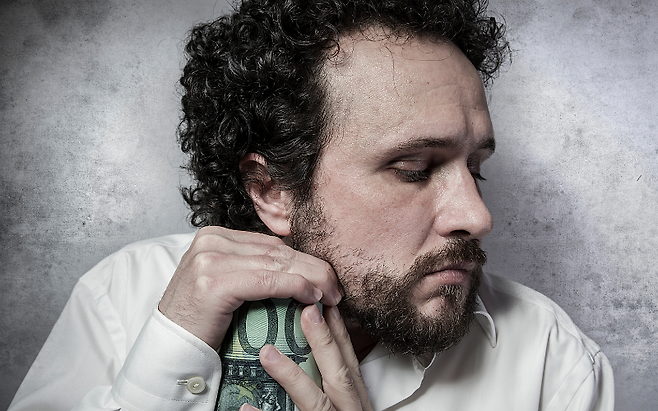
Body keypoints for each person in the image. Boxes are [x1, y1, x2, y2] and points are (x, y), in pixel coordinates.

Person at [8, 0, 614, 410]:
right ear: (272, 189)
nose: (478, 217)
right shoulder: (126, 299)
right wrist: (164, 369)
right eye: (414, 169)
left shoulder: (552, 363)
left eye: (474, 168)